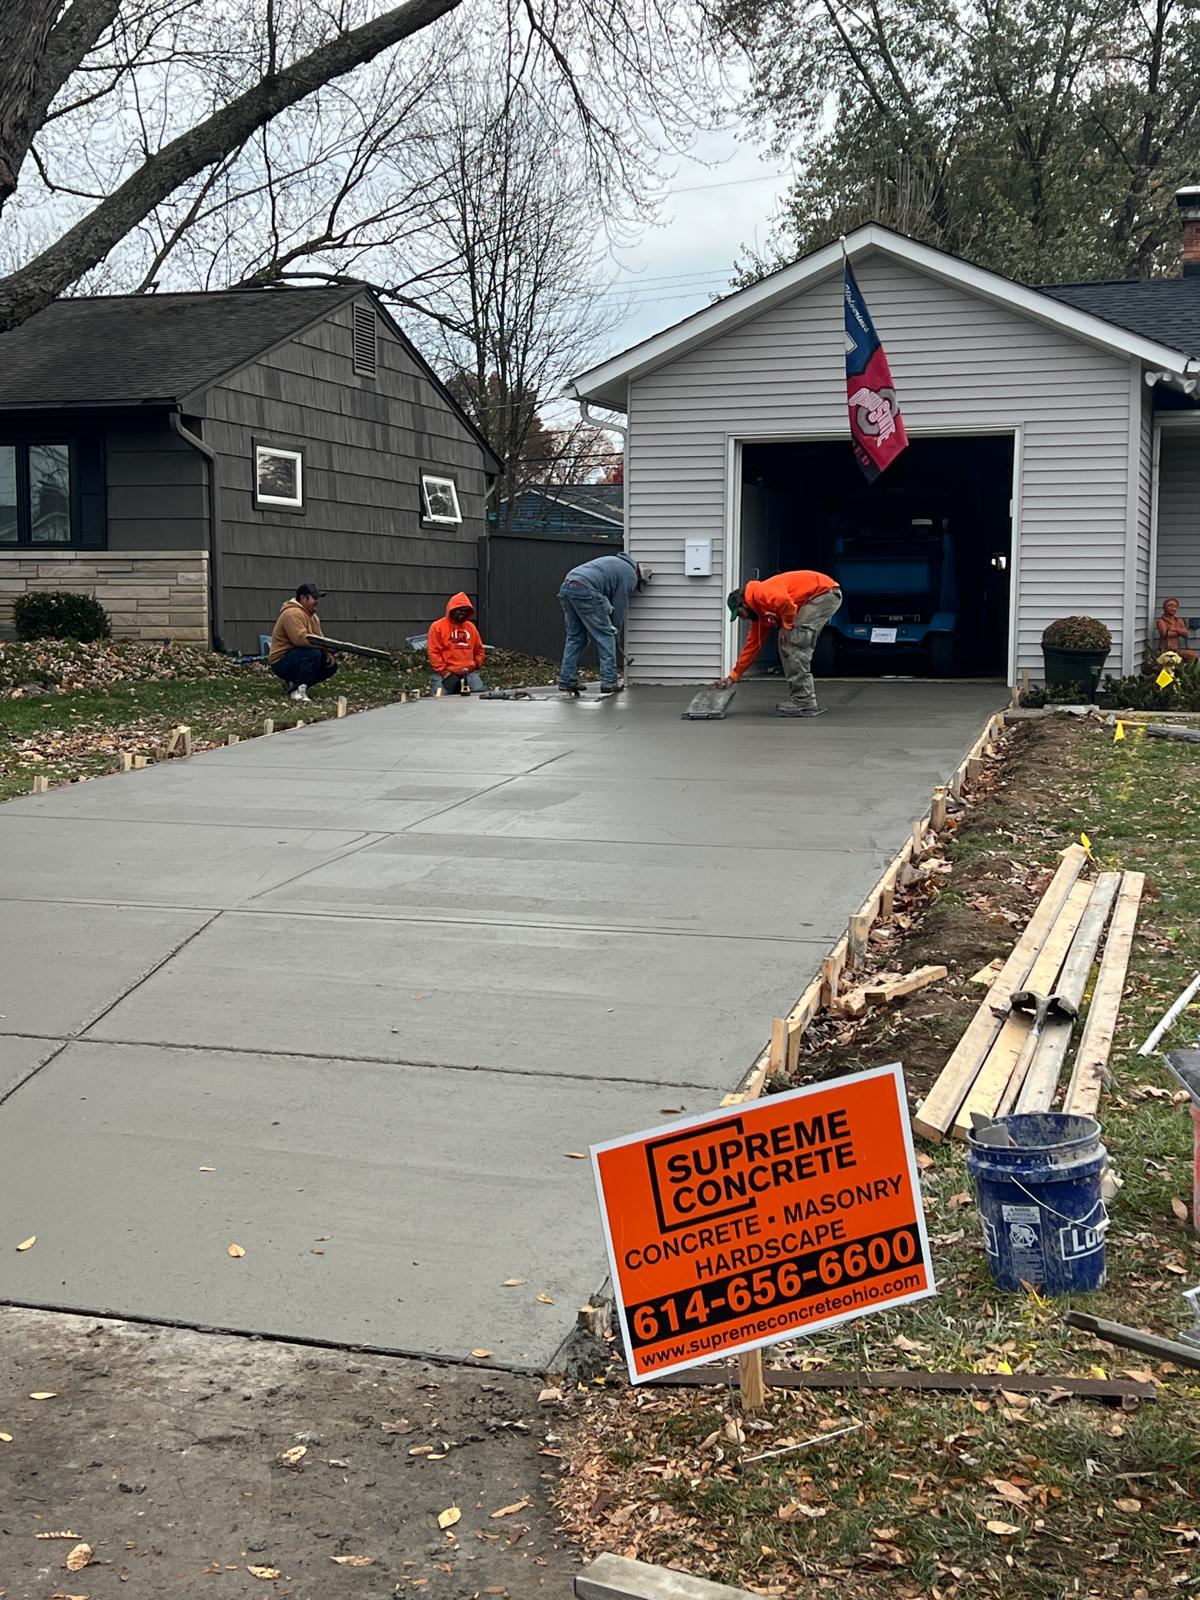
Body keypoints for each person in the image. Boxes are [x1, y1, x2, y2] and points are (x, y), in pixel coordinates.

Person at [716, 569, 842, 717]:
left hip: (825, 594)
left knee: (793, 641)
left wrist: (787, 627)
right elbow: (752, 647)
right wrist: (733, 676)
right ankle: (802, 699)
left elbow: (785, 602)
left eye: (739, 614)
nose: (742, 618)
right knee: (787, 641)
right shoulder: (760, 616)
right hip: (819, 596)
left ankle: (804, 700)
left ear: (743, 603)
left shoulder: (761, 593)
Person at [558, 552, 652, 695]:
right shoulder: (630, 575)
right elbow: (619, 607)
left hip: (567, 586)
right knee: (606, 636)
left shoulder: (616, 563)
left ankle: (567, 680)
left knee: (576, 637)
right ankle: (609, 682)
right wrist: (615, 631)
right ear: (639, 576)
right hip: (586, 589)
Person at [268, 583, 337, 703]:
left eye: (318, 598)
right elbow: (300, 639)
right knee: (313, 654)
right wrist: (323, 648)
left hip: (297, 656)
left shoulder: (313, 617)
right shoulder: (292, 613)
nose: (317, 601)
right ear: (303, 598)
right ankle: (297, 690)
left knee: (330, 666)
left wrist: (328, 652)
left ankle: (297, 684)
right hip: (281, 660)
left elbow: (319, 638)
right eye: (314, 598)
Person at [428, 592, 486, 693]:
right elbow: (434, 652)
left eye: (466, 610)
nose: (462, 613)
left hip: (468, 672)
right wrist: (444, 672)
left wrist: (476, 664)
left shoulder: (471, 627)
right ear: (452, 609)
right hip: (446, 673)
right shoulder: (437, 627)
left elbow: (479, 649)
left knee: (478, 696)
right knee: (440, 698)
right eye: (460, 610)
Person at [1156, 597, 1198, 664]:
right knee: (1192, 655)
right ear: (1164, 608)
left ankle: (1188, 670)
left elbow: (1186, 634)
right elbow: (1165, 634)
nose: (1173, 608)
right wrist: (1180, 631)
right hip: (1166, 650)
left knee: (1195, 656)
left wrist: (1175, 629)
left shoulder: (1179, 620)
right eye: (1170, 606)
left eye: (1175, 606)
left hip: (1179, 649)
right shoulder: (1161, 621)